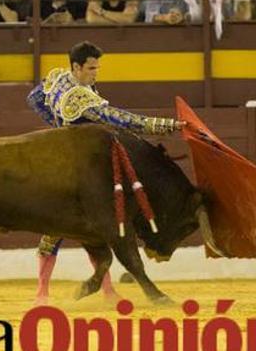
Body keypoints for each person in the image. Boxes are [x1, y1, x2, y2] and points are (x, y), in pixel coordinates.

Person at [26, 40, 185, 305]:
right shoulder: (80, 98)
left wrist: (56, 129)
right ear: (76, 67)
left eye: (97, 68)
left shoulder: (59, 78)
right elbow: (122, 120)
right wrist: (167, 125)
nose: (95, 73)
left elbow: (33, 99)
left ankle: (101, 290)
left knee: (93, 234)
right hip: (81, 172)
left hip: (67, 163)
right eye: (90, 69)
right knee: (69, 230)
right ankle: (42, 293)